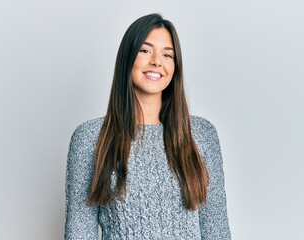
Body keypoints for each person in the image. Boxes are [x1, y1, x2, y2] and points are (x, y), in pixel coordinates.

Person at [64, 13, 231, 239]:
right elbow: (79, 232)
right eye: (145, 50)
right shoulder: (90, 138)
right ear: (128, 57)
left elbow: (216, 231)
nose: (156, 61)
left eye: (167, 54)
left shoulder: (201, 134)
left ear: (175, 66)